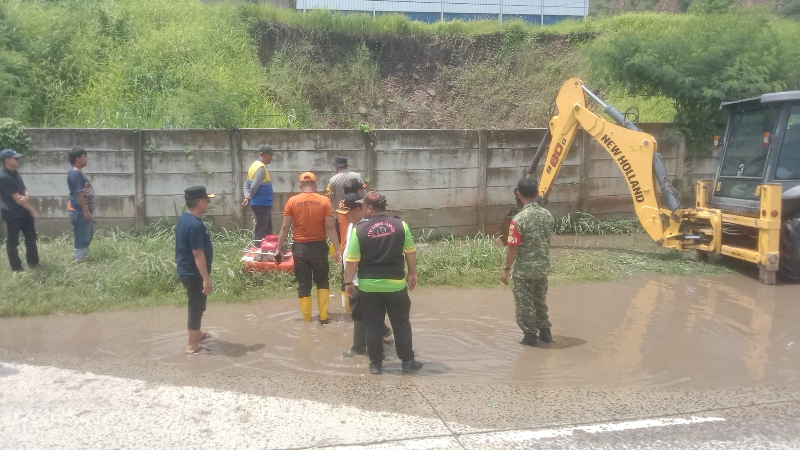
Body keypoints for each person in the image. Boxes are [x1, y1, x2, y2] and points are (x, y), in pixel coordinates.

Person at [343, 191, 422, 375]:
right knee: (401, 324)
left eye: (363, 206)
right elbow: (410, 252)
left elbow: (352, 261)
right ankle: (407, 362)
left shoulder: (359, 231)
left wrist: (348, 281)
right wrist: (412, 273)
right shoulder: (400, 225)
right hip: (396, 285)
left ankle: (376, 364)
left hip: (369, 288)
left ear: (370, 208)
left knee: (372, 325)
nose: (362, 209)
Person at [276, 172, 342, 324]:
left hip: (300, 249)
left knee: (303, 284)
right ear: (315, 184)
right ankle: (324, 316)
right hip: (319, 247)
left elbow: (285, 227)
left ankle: (307, 320)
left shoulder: (292, 201)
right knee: (322, 281)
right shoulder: (324, 201)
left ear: (300, 185)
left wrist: (278, 249)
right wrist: (338, 249)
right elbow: (330, 227)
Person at [500, 178, 555, 347]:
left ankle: (530, 337)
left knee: (525, 305)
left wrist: (506, 269)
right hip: (542, 269)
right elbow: (547, 240)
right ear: (537, 193)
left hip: (524, 272)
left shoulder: (519, 219)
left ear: (518, 194)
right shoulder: (548, 215)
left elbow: (512, 248)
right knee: (540, 302)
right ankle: (545, 334)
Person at [337, 193, 392, 357]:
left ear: (359, 209)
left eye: (347, 212)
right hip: (353, 277)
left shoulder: (367, 227)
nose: (344, 216)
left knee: (360, 312)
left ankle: (359, 346)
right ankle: (384, 331)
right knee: (362, 311)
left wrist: (351, 280)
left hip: (362, 278)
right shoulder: (352, 223)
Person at [175, 186, 215, 354]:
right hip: (193, 273)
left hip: (188, 270)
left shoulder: (185, 218)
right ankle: (192, 345)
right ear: (200, 202)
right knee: (196, 307)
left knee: (199, 304)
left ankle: (197, 333)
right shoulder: (195, 225)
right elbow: (198, 254)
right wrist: (206, 279)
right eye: (207, 200)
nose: (208, 203)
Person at [0, 148, 39, 272]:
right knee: (13, 242)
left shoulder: (16, 173)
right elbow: (17, 199)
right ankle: (16, 268)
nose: (18, 160)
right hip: (13, 213)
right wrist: (33, 210)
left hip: (24, 212)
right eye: (15, 158)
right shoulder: (3, 177)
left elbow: (24, 190)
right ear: (7, 160)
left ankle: (33, 263)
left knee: (31, 238)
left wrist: (27, 196)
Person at [325, 156, 365, 241]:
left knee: (342, 239)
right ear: (346, 166)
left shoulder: (333, 180)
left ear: (338, 167)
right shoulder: (358, 176)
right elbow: (364, 194)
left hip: (341, 215)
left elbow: (329, 199)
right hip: (357, 213)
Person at [67, 148, 95, 263]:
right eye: (84, 157)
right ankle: (78, 259)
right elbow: (78, 193)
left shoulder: (78, 171)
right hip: (78, 209)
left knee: (88, 232)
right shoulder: (75, 172)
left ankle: (83, 256)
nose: (86, 159)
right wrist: (85, 210)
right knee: (81, 233)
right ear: (77, 159)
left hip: (83, 209)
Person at [243, 145, 274, 242]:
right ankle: (259, 248)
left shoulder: (253, 165)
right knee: (262, 228)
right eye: (271, 155)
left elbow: (246, 184)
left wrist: (247, 197)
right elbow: (253, 186)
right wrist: (249, 197)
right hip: (262, 202)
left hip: (261, 203)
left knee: (267, 227)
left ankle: (268, 247)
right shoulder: (261, 168)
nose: (271, 157)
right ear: (266, 154)